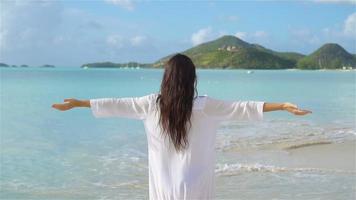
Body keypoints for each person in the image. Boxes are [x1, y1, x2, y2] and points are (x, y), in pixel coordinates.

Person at [52, 53, 312, 200]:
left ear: (166, 79)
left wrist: (80, 103)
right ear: (192, 79)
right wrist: (282, 105)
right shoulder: (205, 106)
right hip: (197, 190)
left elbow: (115, 104)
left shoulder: (149, 104)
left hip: (163, 191)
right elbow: (243, 107)